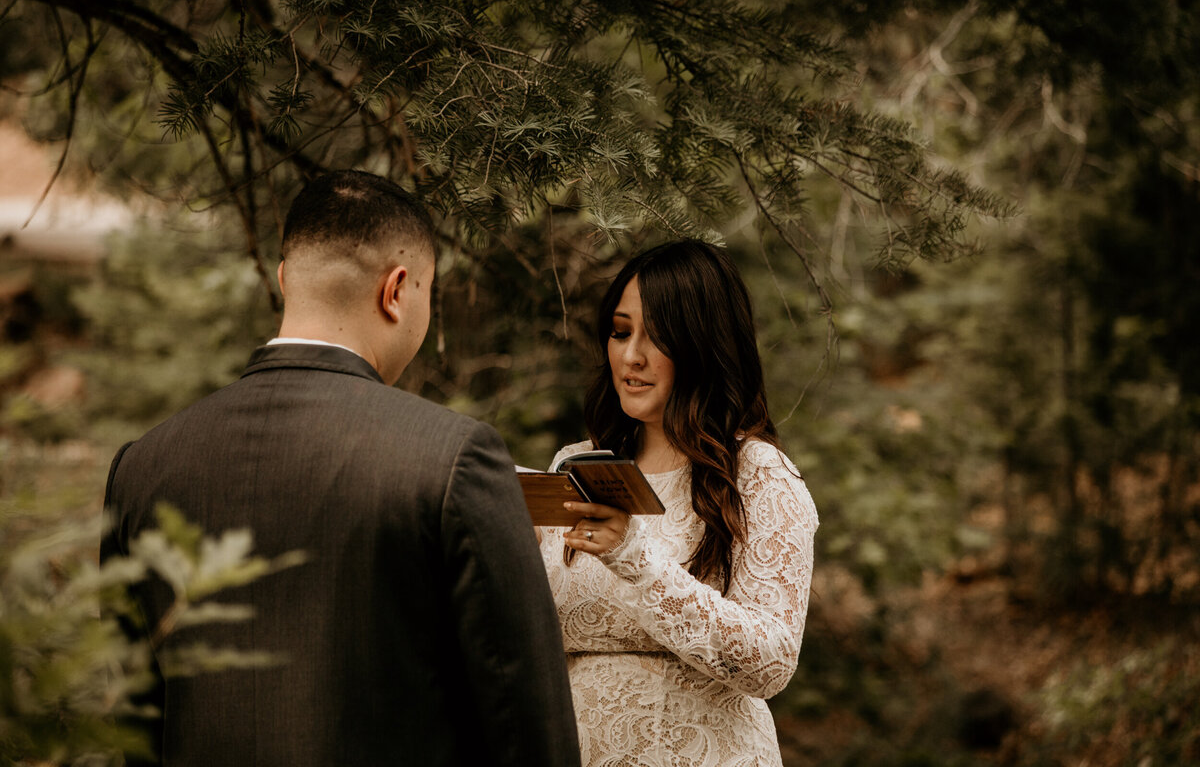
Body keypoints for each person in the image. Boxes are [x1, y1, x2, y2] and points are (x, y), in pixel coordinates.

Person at [102, 170, 580, 767]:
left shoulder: (143, 464)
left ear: (283, 279)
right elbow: (526, 729)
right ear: (397, 290)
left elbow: (130, 719)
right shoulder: (453, 457)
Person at [538, 240, 818, 767]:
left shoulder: (757, 474)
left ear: (704, 346)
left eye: (658, 337)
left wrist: (635, 559)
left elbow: (772, 663)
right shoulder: (576, 464)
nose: (630, 355)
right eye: (620, 332)